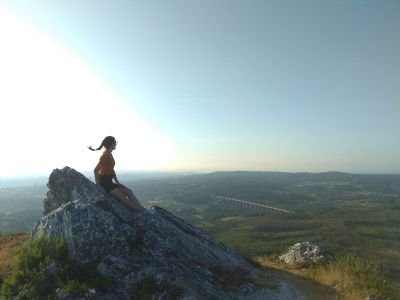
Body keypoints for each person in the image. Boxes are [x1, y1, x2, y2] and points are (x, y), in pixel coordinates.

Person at [88, 136, 145, 213]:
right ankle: (143, 211)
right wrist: (99, 185)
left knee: (128, 191)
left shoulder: (109, 154)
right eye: (115, 142)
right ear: (111, 144)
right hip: (105, 183)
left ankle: (141, 209)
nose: (116, 144)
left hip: (109, 181)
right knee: (124, 199)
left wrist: (117, 181)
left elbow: (111, 169)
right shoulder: (105, 156)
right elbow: (95, 170)